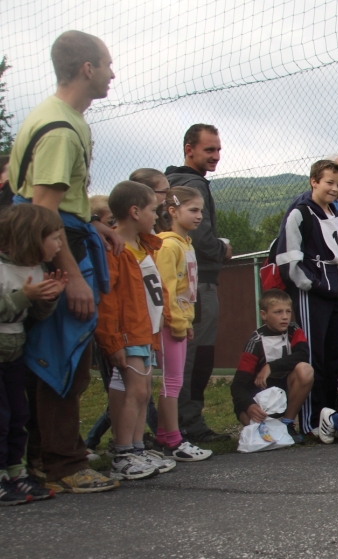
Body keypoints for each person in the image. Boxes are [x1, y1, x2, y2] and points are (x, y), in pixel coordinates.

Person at [13, 30, 120, 494]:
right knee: (63, 357)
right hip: (58, 252)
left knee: (62, 356)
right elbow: (42, 209)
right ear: (87, 69)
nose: (113, 73)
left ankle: (43, 455)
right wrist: (72, 276)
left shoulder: (61, 118)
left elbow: (59, 202)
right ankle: (62, 461)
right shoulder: (60, 129)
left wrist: (93, 225)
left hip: (69, 238)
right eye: (107, 64)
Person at [275, 160, 338, 433]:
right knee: (314, 356)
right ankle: (310, 420)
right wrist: (312, 284)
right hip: (313, 296)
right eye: (329, 183)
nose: (335, 189)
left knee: (337, 355)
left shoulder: (335, 212)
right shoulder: (301, 213)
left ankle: (330, 415)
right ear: (314, 181)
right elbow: (289, 258)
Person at [97, 181, 170, 480]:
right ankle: (124, 452)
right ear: (135, 211)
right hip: (128, 334)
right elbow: (108, 299)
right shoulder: (115, 250)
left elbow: (155, 289)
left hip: (146, 331)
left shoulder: (144, 247)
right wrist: (113, 340)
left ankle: (137, 448)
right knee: (136, 391)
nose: (157, 216)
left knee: (141, 392)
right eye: (154, 210)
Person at [166, 124, 232, 444]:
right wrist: (222, 248)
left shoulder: (174, 183)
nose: (216, 156)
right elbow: (201, 236)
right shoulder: (192, 185)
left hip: (194, 279)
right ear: (188, 149)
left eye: (218, 150)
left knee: (191, 353)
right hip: (198, 282)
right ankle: (187, 420)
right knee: (197, 353)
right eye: (209, 150)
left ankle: (178, 419)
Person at [0, 205, 66, 504]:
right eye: (55, 237)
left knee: (18, 414)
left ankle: (16, 473)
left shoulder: (37, 269)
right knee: (1, 417)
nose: (60, 245)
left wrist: (47, 299)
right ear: (31, 238)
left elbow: (35, 314)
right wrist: (23, 296)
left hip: (14, 352)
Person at [153, 186, 213, 461]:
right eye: (193, 210)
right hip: (169, 324)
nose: (199, 216)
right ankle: (174, 441)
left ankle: (165, 435)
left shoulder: (186, 244)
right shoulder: (167, 245)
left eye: (201, 210)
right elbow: (165, 289)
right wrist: (177, 321)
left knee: (175, 381)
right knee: (173, 382)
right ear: (172, 211)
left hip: (181, 321)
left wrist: (187, 320)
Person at [229, 290, 314, 438]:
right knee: (259, 434)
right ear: (264, 315)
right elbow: (238, 385)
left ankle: (287, 424)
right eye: (278, 312)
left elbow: (303, 354)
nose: (285, 317)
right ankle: (261, 429)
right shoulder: (255, 341)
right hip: (259, 397)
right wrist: (249, 406)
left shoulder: (294, 330)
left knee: (305, 370)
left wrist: (271, 366)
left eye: (288, 311)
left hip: (285, 392)